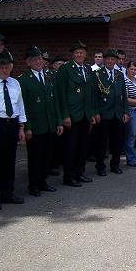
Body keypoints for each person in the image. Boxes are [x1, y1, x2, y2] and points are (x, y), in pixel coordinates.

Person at [18, 46, 63, 197]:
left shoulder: (50, 77)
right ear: (28, 62)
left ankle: (43, 181)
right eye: (34, 60)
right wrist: (27, 127)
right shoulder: (23, 80)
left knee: (47, 155)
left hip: (50, 123)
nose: (38, 62)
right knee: (35, 157)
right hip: (35, 125)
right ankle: (34, 185)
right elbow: (24, 106)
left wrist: (58, 121)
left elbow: (55, 101)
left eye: (40, 59)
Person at [55, 40, 97, 187]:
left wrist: (92, 113)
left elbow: (91, 93)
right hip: (72, 115)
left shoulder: (87, 69)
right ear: (73, 54)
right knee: (71, 147)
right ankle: (69, 176)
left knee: (83, 146)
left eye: (82, 52)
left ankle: (80, 172)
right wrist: (65, 115)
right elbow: (61, 94)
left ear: (85, 54)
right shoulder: (65, 69)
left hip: (85, 114)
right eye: (77, 52)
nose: (79, 55)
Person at [0, 52, 26, 210]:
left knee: (9, 159)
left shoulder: (15, 83)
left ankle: (7, 192)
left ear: (11, 67)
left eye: (7, 67)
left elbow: (20, 105)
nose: (4, 70)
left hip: (12, 123)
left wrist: (21, 126)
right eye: (1, 67)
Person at [92, 49, 129, 176]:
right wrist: (96, 112)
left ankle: (115, 165)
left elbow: (124, 94)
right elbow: (94, 95)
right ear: (104, 60)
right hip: (104, 113)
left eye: (112, 59)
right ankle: (100, 166)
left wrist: (126, 111)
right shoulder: (97, 74)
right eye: (108, 59)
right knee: (102, 142)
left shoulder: (119, 74)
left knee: (117, 141)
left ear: (115, 61)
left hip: (117, 113)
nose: (110, 61)